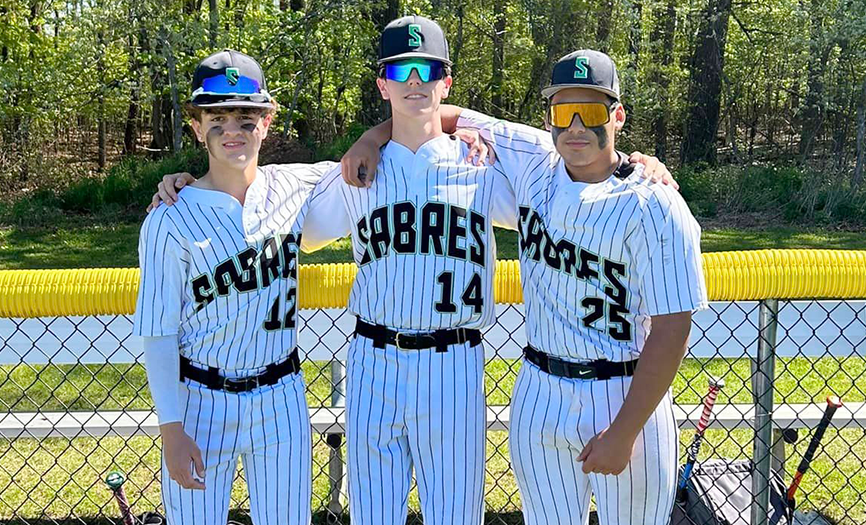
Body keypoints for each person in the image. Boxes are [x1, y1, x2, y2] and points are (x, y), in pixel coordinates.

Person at [150, 28, 673, 525]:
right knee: (374, 513)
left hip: (455, 359)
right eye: (401, 71)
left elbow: (569, 170)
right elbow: (252, 200)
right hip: (373, 360)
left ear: (447, 81)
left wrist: (634, 163)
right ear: (383, 84)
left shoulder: (485, 163)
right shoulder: (351, 174)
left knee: (454, 514)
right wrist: (185, 184)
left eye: (428, 69)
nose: (414, 81)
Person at [437, 49, 708, 525]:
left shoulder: (656, 205)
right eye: (564, 112)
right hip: (540, 389)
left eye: (594, 111)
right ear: (549, 119)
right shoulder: (534, 159)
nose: (577, 125)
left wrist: (623, 433)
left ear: (618, 116)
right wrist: (373, 139)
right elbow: (434, 111)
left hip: (625, 392)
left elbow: (672, 330)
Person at [132, 49, 397, 525]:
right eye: (216, 116)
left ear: (267, 121)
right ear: (195, 125)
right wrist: (171, 428)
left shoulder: (297, 184)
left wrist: (373, 134)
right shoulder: (168, 218)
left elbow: (396, 137)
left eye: (246, 116)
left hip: (281, 394)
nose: (232, 128)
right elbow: (158, 330)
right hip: (200, 399)